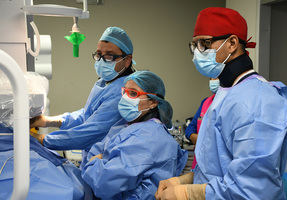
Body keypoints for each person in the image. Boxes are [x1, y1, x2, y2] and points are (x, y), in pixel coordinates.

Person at [156, 7, 287, 200]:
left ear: (232, 43)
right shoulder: (226, 93)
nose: (197, 53)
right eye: (194, 45)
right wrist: (186, 180)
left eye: (204, 44)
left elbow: (253, 190)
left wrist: (189, 193)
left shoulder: (258, 101)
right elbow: (218, 166)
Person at [30, 27, 135, 168]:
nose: (102, 61)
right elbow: (87, 115)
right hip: (94, 160)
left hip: (111, 165)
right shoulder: (104, 82)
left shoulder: (125, 90)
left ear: (127, 60)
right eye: (99, 55)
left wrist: (43, 140)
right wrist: (49, 121)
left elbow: (92, 131)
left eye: (109, 56)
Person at [81, 71, 188, 199]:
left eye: (133, 93)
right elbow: (100, 152)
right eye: (124, 92)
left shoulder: (149, 137)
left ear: (153, 102)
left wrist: (94, 162)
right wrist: (99, 160)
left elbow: (104, 181)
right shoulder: (130, 127)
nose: (125, 98)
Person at [185, 78, 219, 169]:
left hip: (216, 163)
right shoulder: (206, 102)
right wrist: (195, 137)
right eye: (211, 78)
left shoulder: (228, 102)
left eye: (216, 77)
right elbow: (189, 129)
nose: (213, 80)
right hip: (199, 162)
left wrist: (203, 141)